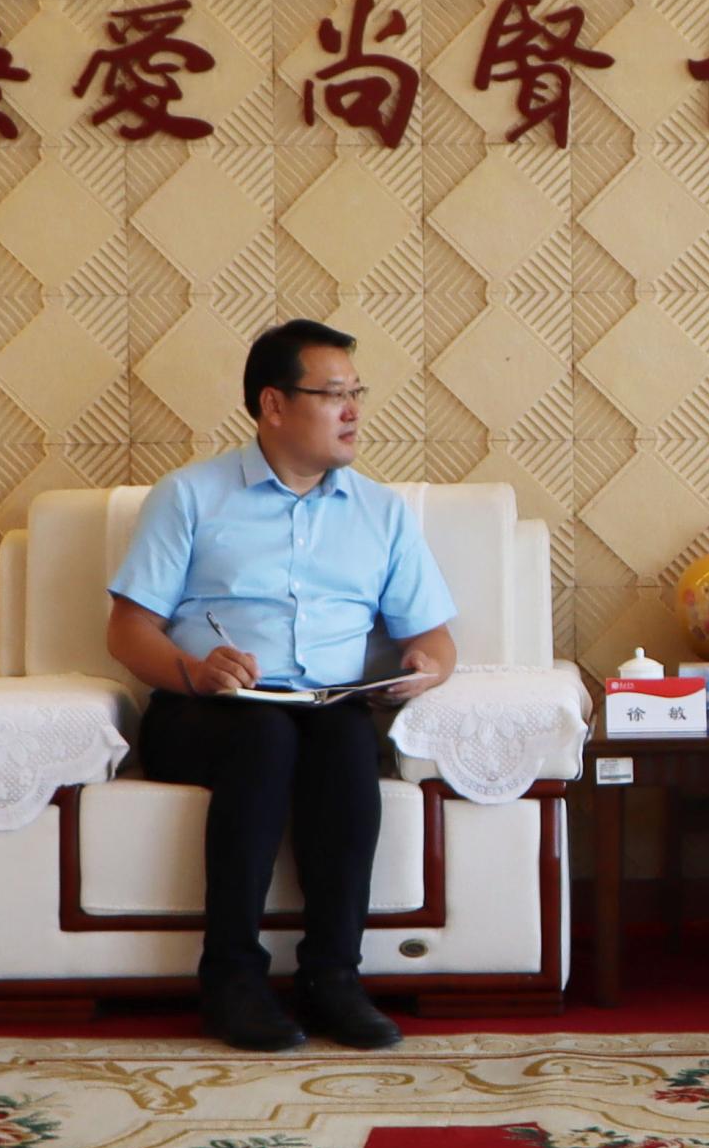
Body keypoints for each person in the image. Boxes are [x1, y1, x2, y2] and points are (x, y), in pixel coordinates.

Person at [106, 320, 461, 1054]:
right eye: (332, 394)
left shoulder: (381, 512)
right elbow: (128, 631)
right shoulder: (190, 496)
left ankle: (333, 978)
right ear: (273, 404)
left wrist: (424, 667)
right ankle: (231, 979)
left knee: (344, 740)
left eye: (356, 393)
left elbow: (434, 637)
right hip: (203, 710)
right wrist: (195, 671)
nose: (352, 411)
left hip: (326, 707)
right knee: (264, 736)